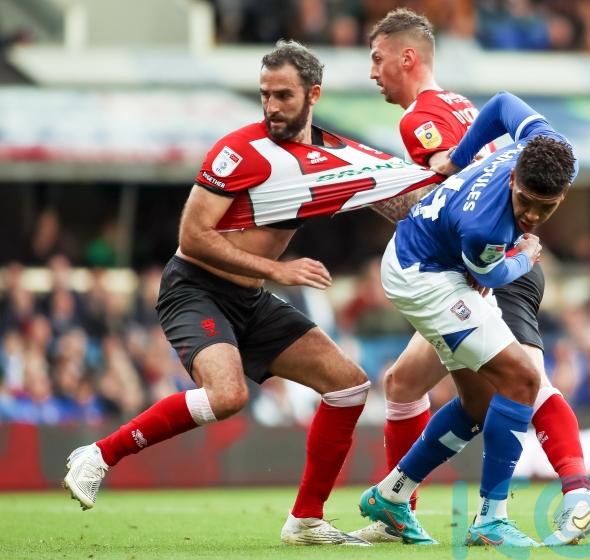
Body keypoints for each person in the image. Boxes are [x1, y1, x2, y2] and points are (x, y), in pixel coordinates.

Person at [61, 39, 440, 547]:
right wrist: (276, 270)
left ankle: (305, 520)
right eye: (264, 95)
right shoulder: (238, 150)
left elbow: (403, 197)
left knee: (349, 386)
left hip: (250, 300)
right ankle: (99, 455)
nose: (271, 107)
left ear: (314, 94)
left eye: (283, 95)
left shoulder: (339, 155)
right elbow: (193, 237)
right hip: (195, 289)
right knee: (228, 395)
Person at [351, 8, 590, 547]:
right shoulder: (462, 107)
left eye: (377, 59)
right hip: (468, 262)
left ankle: (574, 492)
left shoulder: (419, 120)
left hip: (485, 264)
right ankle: (408, 505)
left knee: (521, 382)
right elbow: (459, 207)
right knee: (450, 386)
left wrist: (410, 181)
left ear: (407, 56)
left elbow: (431, 200)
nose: (372, 73)